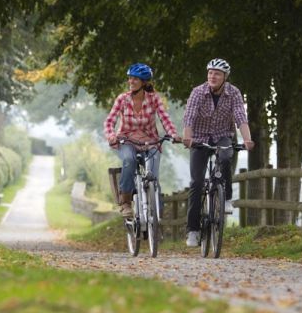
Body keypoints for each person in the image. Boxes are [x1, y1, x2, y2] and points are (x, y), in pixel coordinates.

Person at [182, 58, 255, 247]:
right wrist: (187, 138)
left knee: (225, 157)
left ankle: (227, 197)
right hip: (199, 137)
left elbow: (240, 117)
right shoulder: (198, 92)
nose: (212, 77)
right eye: (210, 73)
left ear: (225, 77)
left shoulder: (234, 93)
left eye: (217, 74)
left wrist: (247, 139)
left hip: (223, 135)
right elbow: (189, 117)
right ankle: (193, 230)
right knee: (196, 182)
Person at [104, 63, 180, 218]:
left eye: (135, 79)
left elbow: (165, 118)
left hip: (150, 141)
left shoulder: (154, 99)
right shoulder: (122, 99)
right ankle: (125, 201)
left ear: (144, 82)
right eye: (130, 78)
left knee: (153, 174)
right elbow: (109, 121)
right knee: (129, 160)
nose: (131, 81)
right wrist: (111, 135)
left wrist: (172, 134)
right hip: (127, 140)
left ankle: (155, 211)